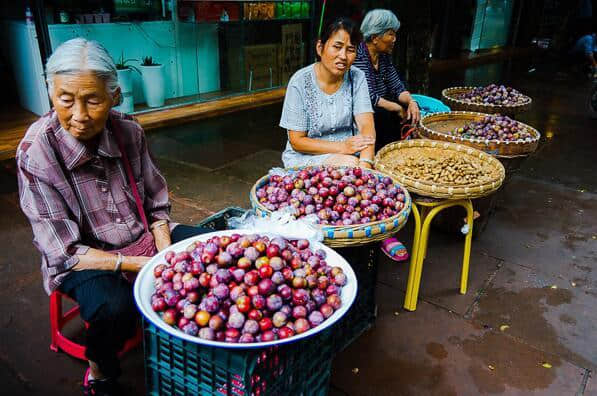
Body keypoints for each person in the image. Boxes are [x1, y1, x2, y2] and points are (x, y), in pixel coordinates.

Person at [16, 38, 208, 396]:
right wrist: (141, 264)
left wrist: (163, 251)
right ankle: (100, 374)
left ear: (114, 96)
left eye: (93, 99)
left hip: (142, 240)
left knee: (208, 249)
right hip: (83, 258)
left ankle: (195, 339)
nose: (79, 115)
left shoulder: (129, 131)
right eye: (65, 99)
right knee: (111, 307)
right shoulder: (36, 152)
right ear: (51, 93)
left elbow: (156, 203)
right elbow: (65, 252)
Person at [280, 17, 376, 169]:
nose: (343, 56)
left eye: (350, 50)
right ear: (320, 47)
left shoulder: (357, 76)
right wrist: (342, 147)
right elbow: (297, 141)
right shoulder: (299, 82)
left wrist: (366, 163)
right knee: (349, 165)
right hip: (306, 157)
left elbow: (366, 127)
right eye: (337, 47)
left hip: (351, 155)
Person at [353, 9, 421, 152]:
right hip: (365, 111)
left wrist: (411, 102)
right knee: (384, 115)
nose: (394, 39)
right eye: (391, 34)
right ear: (375, 37)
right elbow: (368, 96)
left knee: (410, 110)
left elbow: (396, 86)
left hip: (383, 107)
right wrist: (396, 107)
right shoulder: (358, 56)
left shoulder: (383, 57)